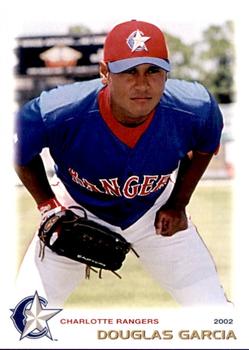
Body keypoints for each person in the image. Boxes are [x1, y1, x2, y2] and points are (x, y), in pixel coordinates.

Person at [14, 19, 230, 307]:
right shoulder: (57, 111)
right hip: (78, 207)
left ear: (167, 73)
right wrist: (48, 206)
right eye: (128, 71)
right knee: (25, 320)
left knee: (214, 312)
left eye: (153, 70)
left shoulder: (196, 108)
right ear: (105, 73)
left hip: (153, 207)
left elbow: (204, 149)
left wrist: (178, 203)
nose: (142, 84)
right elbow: (18, 153)